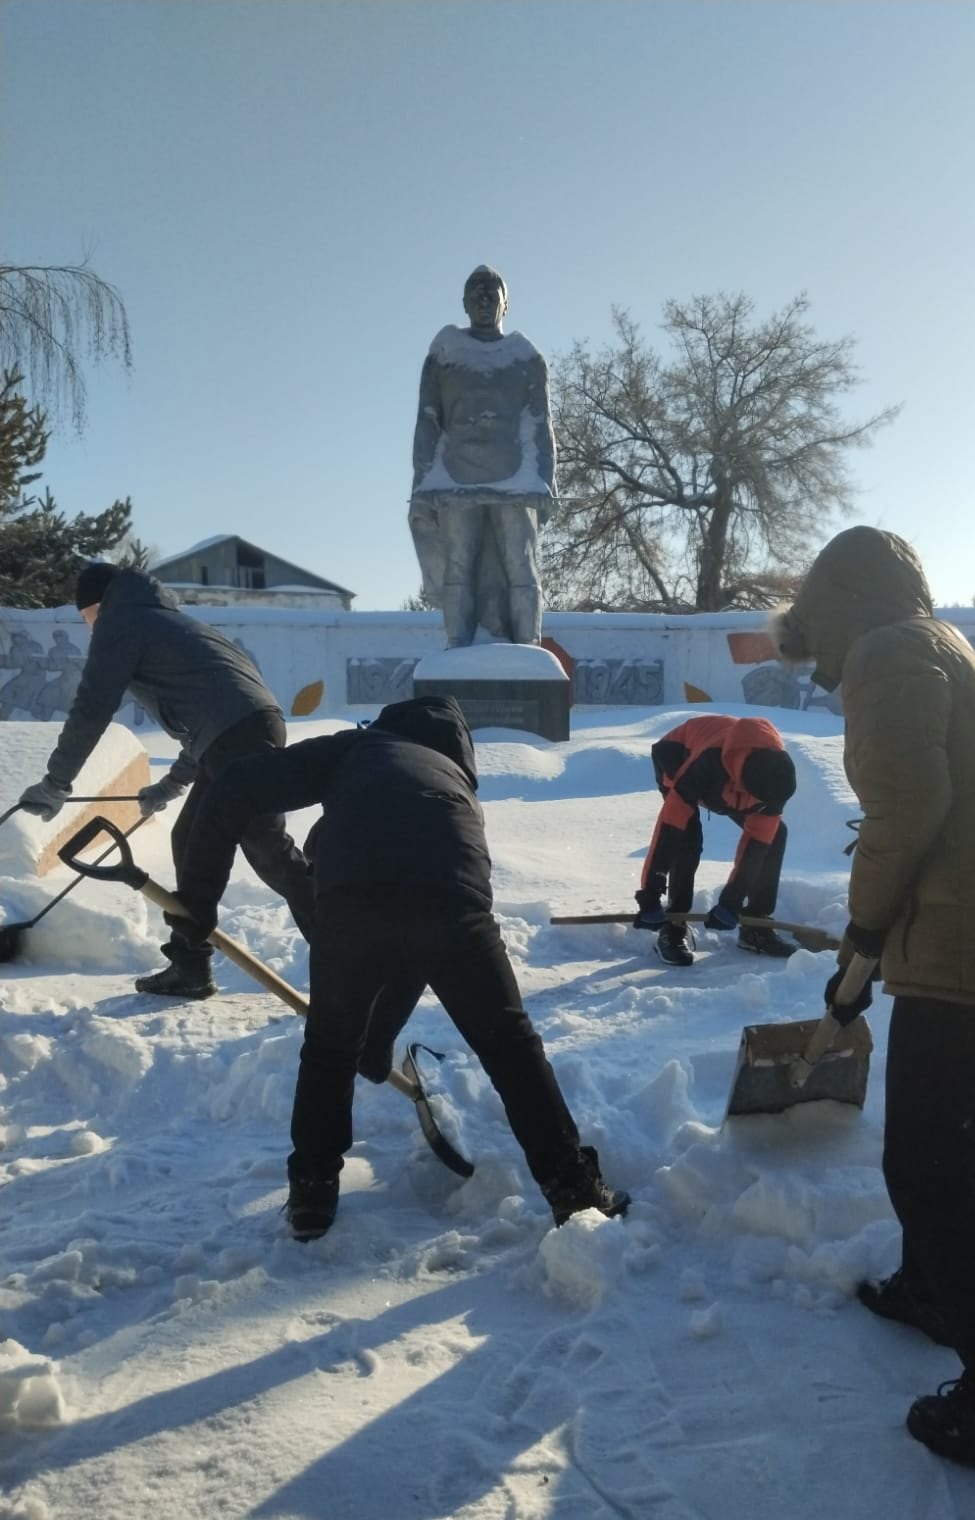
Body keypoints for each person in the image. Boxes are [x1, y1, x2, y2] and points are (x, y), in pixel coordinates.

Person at [771, 526, 975, 1479]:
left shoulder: (886, 653)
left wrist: (864, 933)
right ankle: (931, 1290)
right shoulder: (942, 648)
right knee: (939, 1148)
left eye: (814, 642)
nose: (821, 668)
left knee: (925, 1167)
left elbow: (906, 811)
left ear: (836, 607)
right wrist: (875, 954)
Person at [167, 694, 629, 1241]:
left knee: (328, 1048)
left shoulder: (358, 748)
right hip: (452, 905)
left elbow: (236, 785)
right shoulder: (454, 781)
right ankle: (572, 1189)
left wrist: (197, 905)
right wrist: (378, 1040)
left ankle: (313, 1194)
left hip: (352, 903)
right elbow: (417, 947)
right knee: (509, 1044)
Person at [18, 562, 316, 998]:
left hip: (238, 738)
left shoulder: (122, 621)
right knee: (191, 839)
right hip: (245, 731)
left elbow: (92, 707)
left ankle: (357, 949)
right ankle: (190, 964)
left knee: (268, 850)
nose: (90, 629)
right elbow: (210, 713)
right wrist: (173, 784)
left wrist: (56, 782)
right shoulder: (165, 620)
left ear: (99, 604)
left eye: (86, 618)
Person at [408, 265, 556, 648]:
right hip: (457, 480)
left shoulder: (524, 357)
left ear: (506, 304)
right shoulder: (445, 355)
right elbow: (428, 419)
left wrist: (544, 479)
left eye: (492, 292)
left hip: (515, 480)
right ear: (464, 302)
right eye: (476, 291)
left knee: (522, 569)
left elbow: (538, 422)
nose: (484, 298)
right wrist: (424, 478)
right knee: (457, 570)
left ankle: (529, 650)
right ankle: (457, 650)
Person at [633, 715, 797, 966]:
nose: (761, 807)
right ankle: (673, 928)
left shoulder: (777, 776)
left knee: (775, 835)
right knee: (686, 840)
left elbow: (756, 845)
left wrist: (732, 900)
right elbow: (668, 832)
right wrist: (650, 895)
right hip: (678, 756)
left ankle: (756, 924)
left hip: (730, 777)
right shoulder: (705, 766)